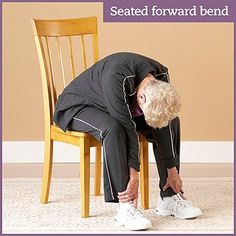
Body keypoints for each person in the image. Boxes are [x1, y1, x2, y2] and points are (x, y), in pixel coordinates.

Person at [53, 52, 202, 230]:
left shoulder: (161, 76)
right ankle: (126, 206)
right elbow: (127, 127)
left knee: (172, 120)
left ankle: (169, 197)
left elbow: (163, 122)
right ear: (142, 98)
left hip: (114, 107)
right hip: (79, 106)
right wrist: (134, 176)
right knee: (113, 128)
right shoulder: (115, 77)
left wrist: (172, 170)